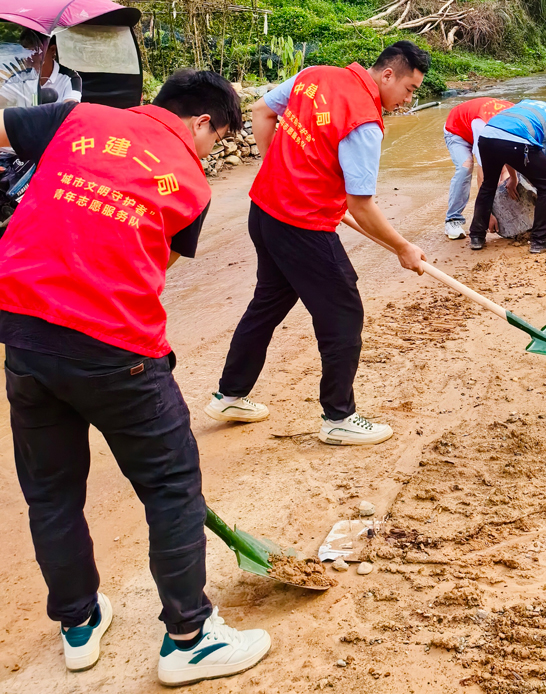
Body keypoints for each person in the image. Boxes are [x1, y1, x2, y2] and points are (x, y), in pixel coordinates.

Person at [0, 69, 271, 686]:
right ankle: (190, 639)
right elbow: (160, 257)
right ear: (203, 122)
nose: (209, 152)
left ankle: (78, 622)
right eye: (215, 137)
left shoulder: (77, 118)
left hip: (24, 332)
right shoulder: (193, 185)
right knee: (172, 484)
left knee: (51, 492)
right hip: (117, 349)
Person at [203, 41, 429, 447]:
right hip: (301, 225)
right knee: (344, 312)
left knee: (267, 302)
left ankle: (230, 396)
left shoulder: (317, 74)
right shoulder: (364, 122)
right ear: (388, 75)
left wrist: (279, 170)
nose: (409, 99)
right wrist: (402, 246)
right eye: (410, 89)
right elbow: (361, 206)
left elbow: (262, 111)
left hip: (265, 211)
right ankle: (339, 418)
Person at [468, 90, 546, 254]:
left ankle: (477, 237)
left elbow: (506, 142)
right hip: (515, 140)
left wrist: (513, 177)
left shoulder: (528, 103)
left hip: (487, 136)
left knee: (488, 184)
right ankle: (540, 240)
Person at [441, 96, 513, 240]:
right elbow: (484, 176)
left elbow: (506, 170)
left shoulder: (517, 116)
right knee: (465, 167)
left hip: (478, 122)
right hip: (457, 130)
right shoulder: (483, 126)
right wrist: (488, 213)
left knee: (506, 166)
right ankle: (453, 220)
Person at [0, 30, 82, 108]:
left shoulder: (70, 79)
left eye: (35, 52)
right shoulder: (19, 78)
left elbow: (70, 108)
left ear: (52, 50)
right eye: (26, 52)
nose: (29, 57)